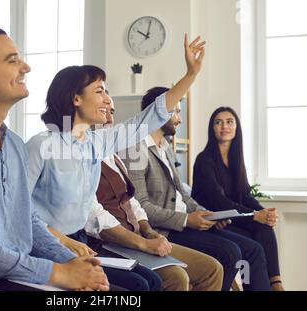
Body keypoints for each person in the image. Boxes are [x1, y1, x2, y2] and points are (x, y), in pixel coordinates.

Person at [27, 34, 206, 291]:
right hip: (46, 245)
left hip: (79, 240)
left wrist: (190, 75)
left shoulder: (94, 143)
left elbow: (145, 121)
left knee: (151, 281)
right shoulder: (40, 146)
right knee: (140, 286)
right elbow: (18, 211)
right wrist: (64, 242)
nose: (106, 100)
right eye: (99, 91)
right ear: (75, 99)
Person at [0, 27, 109, 291]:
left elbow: (28, 221)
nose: (25, 67)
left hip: (23, 269)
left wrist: (75, 264)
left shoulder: (14, 144)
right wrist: (58, 272)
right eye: (13, 60)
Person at [123, 87, 271, 291]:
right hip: (167, 229)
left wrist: (206, 214)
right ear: (158, 111)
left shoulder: (166, 147)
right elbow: (140, 206)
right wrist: (186, 220)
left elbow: (183, 195)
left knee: (252, 248)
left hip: (186, 224)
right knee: (231, 253)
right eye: (175, 111)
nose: (179, 119)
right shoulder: (135, 149)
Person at [83, 93, 224, 291]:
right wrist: (143, 242)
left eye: (112, 112)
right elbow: (95, 218)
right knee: (177, 277)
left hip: (141, 234)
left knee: (212, 268)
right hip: (112, 243)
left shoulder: (113, 156)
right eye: (103, 111)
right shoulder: (84, 157)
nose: (109, 118)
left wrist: (148, 231)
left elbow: (133, 202)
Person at [191, 106, 284, 291]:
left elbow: (245, 194)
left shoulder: (236, 160)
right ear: (212, 128)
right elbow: (219, 201)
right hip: (213, 222)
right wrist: (254, 215)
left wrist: (263, 212)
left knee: (264, 228)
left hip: (232, 218)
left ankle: (276, 283)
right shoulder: (204, 159)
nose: (224, 126)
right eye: (218, 122)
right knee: (253, 245)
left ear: (236, 127)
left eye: (229, 121)